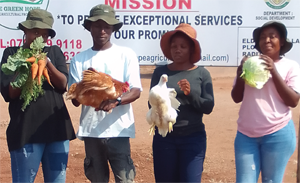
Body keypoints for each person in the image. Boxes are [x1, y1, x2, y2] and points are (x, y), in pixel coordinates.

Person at [68, 4, 142, 183]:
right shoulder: (79, 59)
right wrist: (84, 89)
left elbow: (135, 91)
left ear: (113, 29)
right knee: (97, 180)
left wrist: (115, 101)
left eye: (107, 26)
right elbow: (75, 101)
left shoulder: (126, 54)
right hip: (92, 131)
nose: (102, 30)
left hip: (119, 131)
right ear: (89, 28)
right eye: (97, 26)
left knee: (125, 180)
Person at [0, 9, 76, 183]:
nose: (39, 38)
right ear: (25, 31)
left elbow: (63, 84)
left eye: (44, 34)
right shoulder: (11, 53)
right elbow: (10, 93)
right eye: (35, 32)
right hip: (26, 133)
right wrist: (27, 67)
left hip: (57, 131)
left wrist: (46, 62)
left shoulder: (54, 52)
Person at [231, 21, 300, 183]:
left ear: (281, 41)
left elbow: (293, 100)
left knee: (271, 181)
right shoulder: (250, 64)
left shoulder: (291, 66)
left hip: (278, 134)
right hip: (246, 135)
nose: (267, 40)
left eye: (272, 36)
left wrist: (273, 71)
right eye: (263, 37)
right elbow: (236, 97)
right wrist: (241, 74)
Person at [149, 23, 215, 183]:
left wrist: (191, 93)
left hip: (193, 139)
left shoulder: (202, 73)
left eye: (183, 46)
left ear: (191, 49)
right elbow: (151, 104)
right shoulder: (160, 72)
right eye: (174, 46)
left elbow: (208, 107)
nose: (177, 50)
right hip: (164, 138)